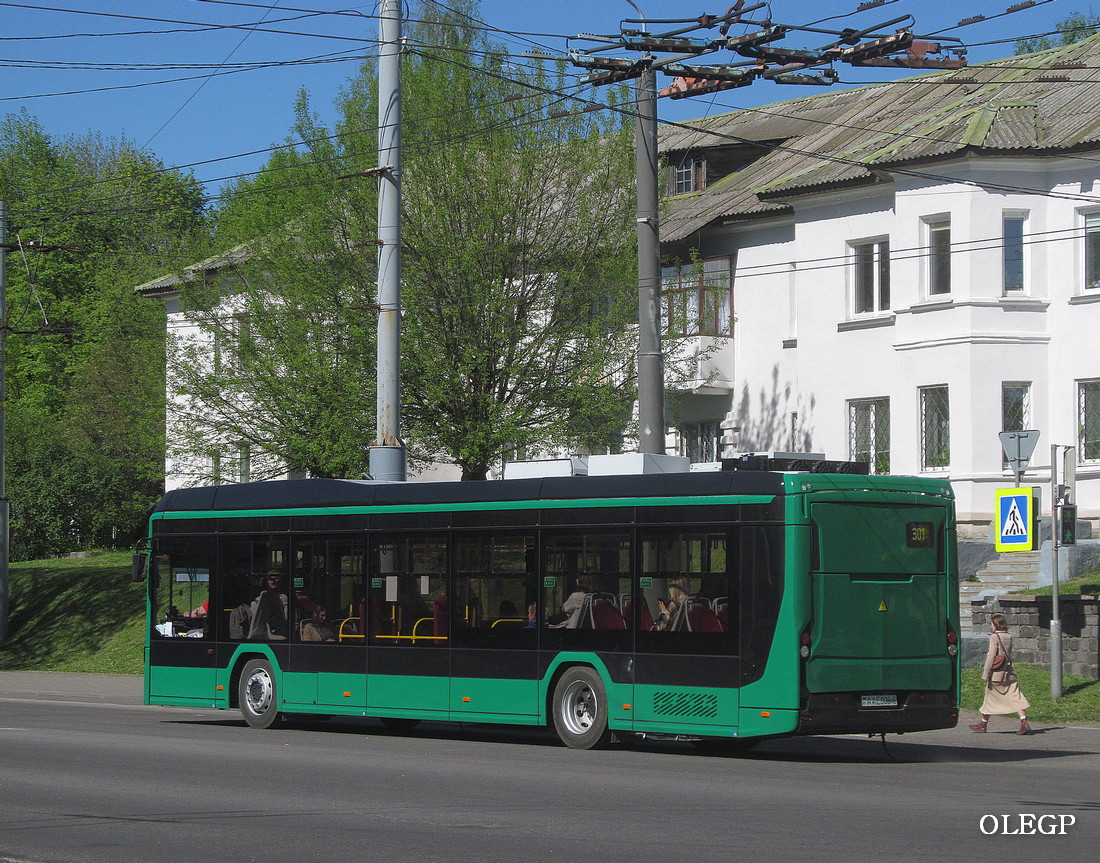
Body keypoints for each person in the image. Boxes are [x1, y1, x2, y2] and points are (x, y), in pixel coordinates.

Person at [970, 613, 1032, 735]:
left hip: (997, 674)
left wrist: (985, 673)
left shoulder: (994, 637)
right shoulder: (1009, 637)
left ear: (995, 625)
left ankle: (983, 724)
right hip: (1009, 672)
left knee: (989, 699)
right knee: (1016, 697)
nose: (991, 626)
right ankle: (1024, 722)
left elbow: (992, 656)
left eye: (992, 624)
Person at [248, 572, 289, 640]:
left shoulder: (286, 594)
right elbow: (267, 617)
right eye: (270, 579)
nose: (273, 582)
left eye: (276, 579)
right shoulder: (265, 597)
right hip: (275, 629)